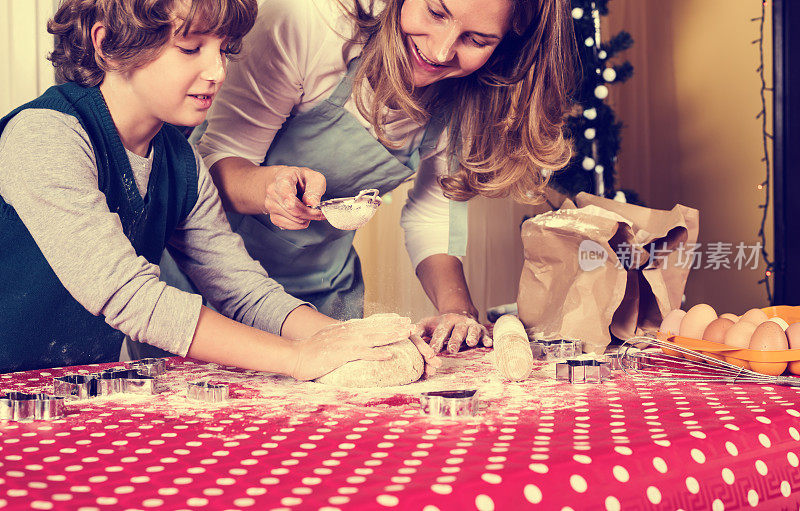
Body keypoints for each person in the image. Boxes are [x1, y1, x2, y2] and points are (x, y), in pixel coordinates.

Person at [0, 0, 436, 377]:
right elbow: (128, 296)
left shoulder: (181, 161)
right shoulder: (44, 137)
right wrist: (298, 358)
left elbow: (243, 290)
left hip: (68, 396)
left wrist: (358, 339)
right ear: (107, 42)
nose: (219, 71)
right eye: (191, 48)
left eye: (223, 48)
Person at [192, 0, 576, 354]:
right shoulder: (311, 23)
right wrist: (269, 190)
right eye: (436, 12)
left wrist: (457, 310)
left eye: (476, 40)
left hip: (323, 291)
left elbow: (433, 218)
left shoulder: (469, 96)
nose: (441, 52)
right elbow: (217, 161)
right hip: (211, 283)